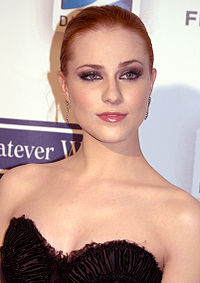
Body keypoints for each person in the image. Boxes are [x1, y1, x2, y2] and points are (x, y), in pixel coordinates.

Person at [0, 5, 200, 282]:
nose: (112, 94)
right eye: (91, 75)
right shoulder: (16, 186)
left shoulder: (184, 219)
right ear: (65, 86)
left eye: (129, 74)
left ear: (150, 83)